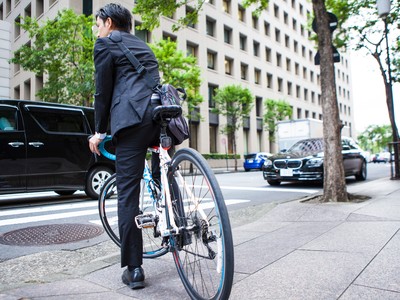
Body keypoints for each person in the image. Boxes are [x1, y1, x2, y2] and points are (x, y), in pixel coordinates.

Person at [88, 3, 161, 289]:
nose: (97, 29)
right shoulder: (144, 47)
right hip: (159, 118)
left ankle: (134, 269)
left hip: (131, 123)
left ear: (107, 23)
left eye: (97, 24)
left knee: (128, 194)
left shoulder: (105, 45)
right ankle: (174, 219)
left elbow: (102, 92)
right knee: (162, 176)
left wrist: (99, 131)